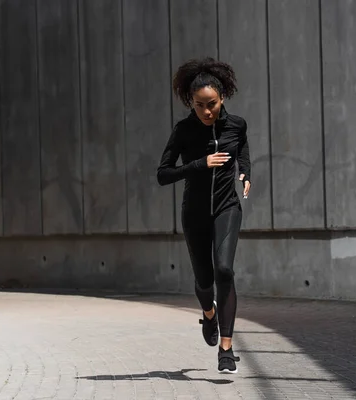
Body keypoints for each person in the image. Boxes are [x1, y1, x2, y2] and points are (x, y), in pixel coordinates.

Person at [157, 57, 251, 373]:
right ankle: (208, 314)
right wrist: (199, 164)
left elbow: (242, 151)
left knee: (224, 269)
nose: (206, 111)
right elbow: (163, 174)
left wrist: (245, 173)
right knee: (204, 281)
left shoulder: (236, 125)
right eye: (199, 106)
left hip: (227, 208)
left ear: (222, 98)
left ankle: (226, 347)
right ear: (191, 103)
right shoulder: (183, 130)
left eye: (211, 104)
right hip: (194, 213)